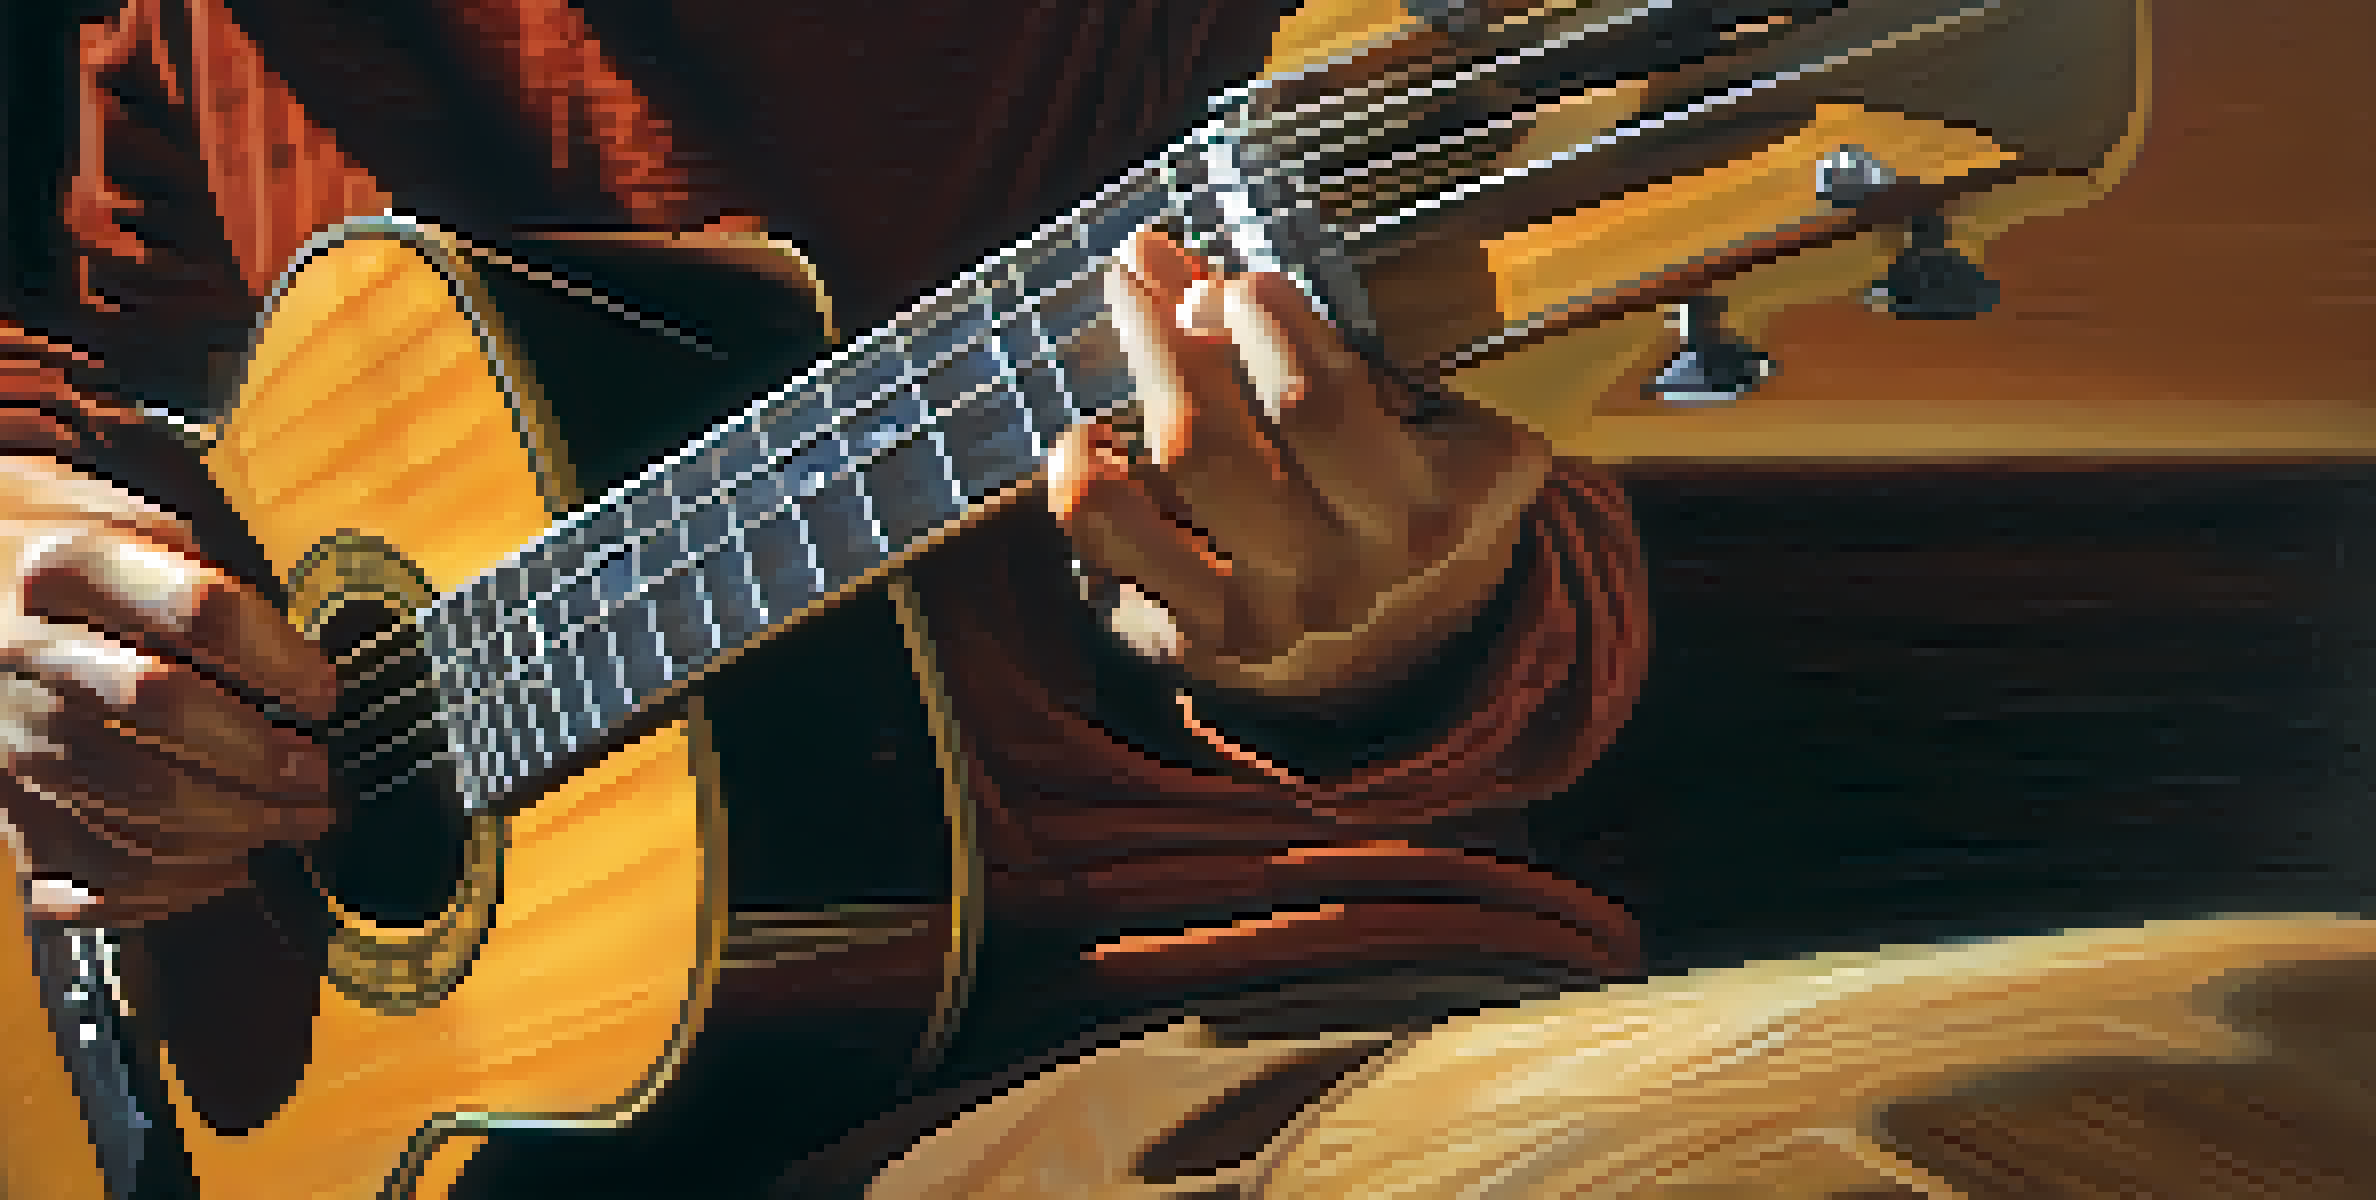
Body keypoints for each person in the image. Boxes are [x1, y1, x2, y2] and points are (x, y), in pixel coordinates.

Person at [2, 1, 1650, 1195]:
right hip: (459, 1122)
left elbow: (1538, 556)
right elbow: (117, 376)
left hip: (1192, 1011)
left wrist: (1386, 638)